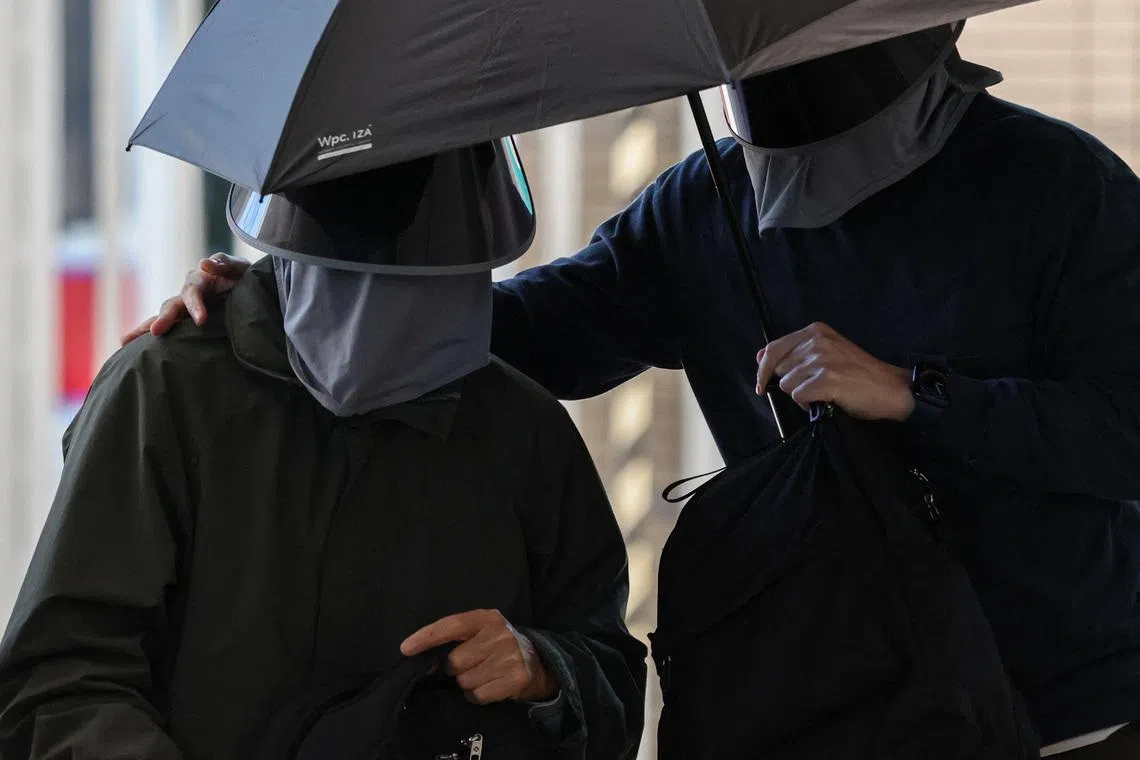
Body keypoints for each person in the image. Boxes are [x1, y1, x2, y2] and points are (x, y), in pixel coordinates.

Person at [128, 21, 1140, 759]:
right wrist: (286, 300)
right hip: (843, 704)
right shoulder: (705, 210)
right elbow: (520, 338)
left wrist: (916, 394)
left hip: (1064, 712)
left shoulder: (1064, 192)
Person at [0, 138, 647, 760]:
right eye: (361, 278)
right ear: (293, 251)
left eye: (428, 289)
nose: (394, 317)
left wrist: (545, 669)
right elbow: (60, 680)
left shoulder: (523, 429)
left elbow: (613, 680)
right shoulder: (167, 394)